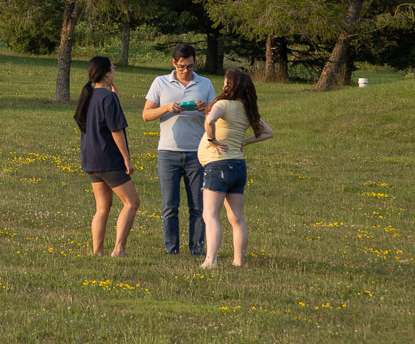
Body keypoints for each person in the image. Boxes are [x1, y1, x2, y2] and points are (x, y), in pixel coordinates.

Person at [141, 43, 216, 256]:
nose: (186, 71)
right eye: (182, 67)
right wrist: (166, 108)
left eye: (190, 67)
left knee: (198, 206)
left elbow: (215, 116)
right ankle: (171, 249)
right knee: (170, 206)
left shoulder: (205, 83)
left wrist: (206, 110)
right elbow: (146, 115)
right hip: (168, 152)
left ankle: (197, 249)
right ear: (174, 63)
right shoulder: (160, 83)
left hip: (197, 152)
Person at [198, 68, 274, 269]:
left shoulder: (222, 104)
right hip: (238, 166)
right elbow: (268, 132)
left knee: (210, 214)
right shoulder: (247, 108)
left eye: (225, 82)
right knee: (237, 218)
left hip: (218, 165)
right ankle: (238, 261)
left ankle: (210, 260)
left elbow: (209, 120)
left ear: (229, 85)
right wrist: (245, 142)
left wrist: (212, 140)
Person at [76, 55, 140, 257]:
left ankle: (97, 251)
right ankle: (118, 249)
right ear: (106, 73)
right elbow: (116, 131)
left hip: (90, 159)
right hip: (108, 159)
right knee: (131, 202)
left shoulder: (87, 95)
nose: (115, 71)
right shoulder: (108, 98)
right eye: (113, 68)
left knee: (102, 206)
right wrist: (126, 159)